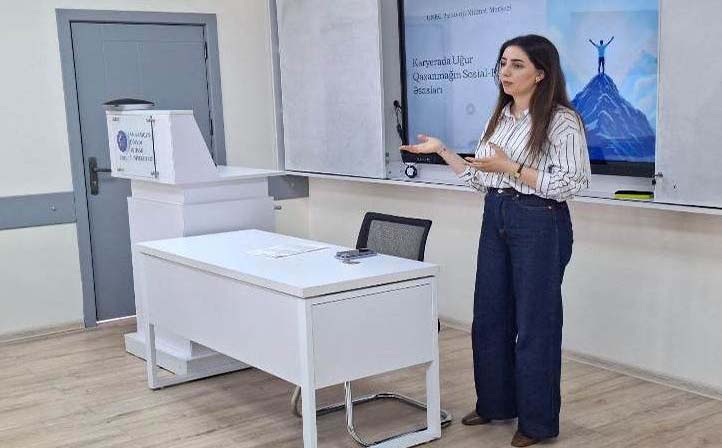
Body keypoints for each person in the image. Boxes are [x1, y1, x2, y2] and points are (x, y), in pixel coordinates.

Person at [401, 34, 591, 447]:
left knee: (536, 324)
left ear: (541, 74)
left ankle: (537, 423)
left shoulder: (562, 120)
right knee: (489, 316)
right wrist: (443, 151)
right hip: (497, 214)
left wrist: (512, 167)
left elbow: (572, 183)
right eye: (503, 63)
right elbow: (481, 178)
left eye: (517, 64)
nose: (505, 71)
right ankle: (495, 403)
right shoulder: (501, 117)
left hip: (539, 219)